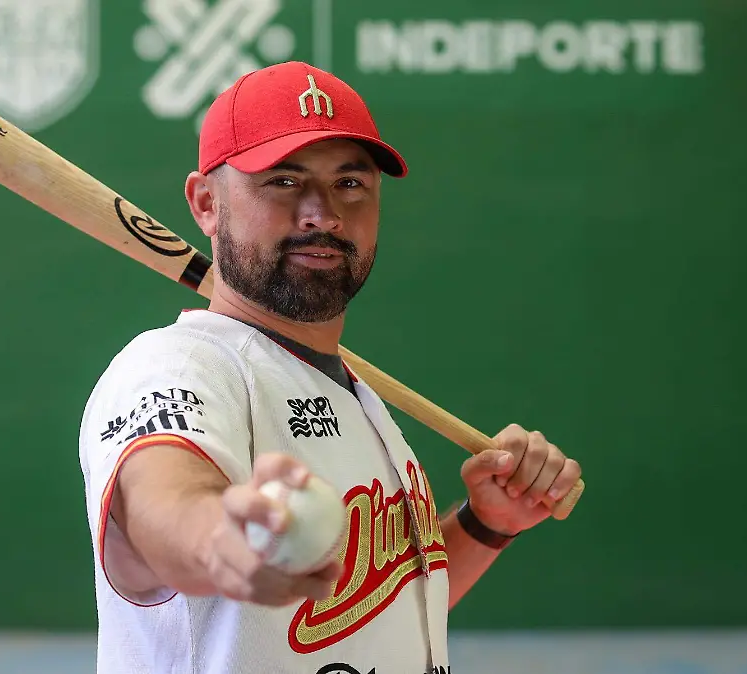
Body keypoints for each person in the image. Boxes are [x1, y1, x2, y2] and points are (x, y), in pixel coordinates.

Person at [77, 61, 582, 674]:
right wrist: (219, 541)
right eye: (284, 180)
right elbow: (165, 502)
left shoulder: (349, 391)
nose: (322, 214)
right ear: (207, 203)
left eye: (350, 183)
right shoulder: (180, 366)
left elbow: (379, 612)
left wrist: (487, 524)